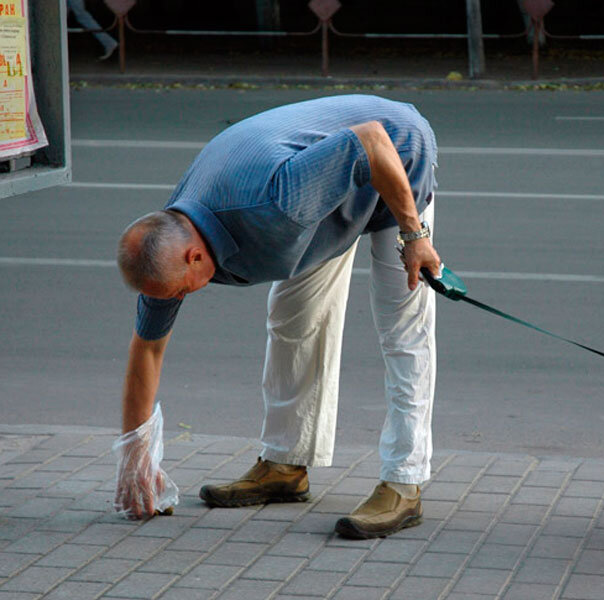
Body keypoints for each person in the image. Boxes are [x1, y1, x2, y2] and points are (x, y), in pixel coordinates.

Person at [115, 95, 441, 539]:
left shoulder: (275, 201)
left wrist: (414, 234)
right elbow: (148, 347)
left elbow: (372, 141)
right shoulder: (166, 240)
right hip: (326, 190)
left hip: (395, 157)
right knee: (292, 319)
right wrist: (136, 456)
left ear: (194, 256)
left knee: (401, 328)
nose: (178, 300)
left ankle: (405, 482)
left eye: (178, 291)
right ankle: (285, 465)